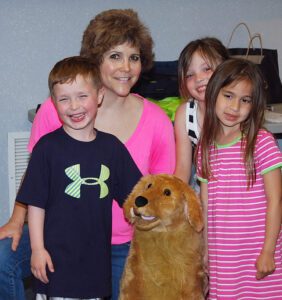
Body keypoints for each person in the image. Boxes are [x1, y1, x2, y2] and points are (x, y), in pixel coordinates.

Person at [0, 9, 175, 300]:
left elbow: (158, 193)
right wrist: (17, 221)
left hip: (124, 244)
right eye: (115, 56)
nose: (126, 67)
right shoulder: (57, 111)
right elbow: (35, 179)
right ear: (95, 61)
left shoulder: (156, 121)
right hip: (58, 235)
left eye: (134, 57)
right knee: (4, 258)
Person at [17, 56, 143, 300]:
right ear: (54, 103)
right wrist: (37, 249)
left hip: (96, 265)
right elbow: (35, 204)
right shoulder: (48, 148)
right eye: (64, 99)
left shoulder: (112, 148)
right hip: (56, 265)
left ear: (100, 96)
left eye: (82, 96)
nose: (74, 106)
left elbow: (137, 196)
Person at [197, 58, 282, 299]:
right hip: (223, 255)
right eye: (228, 95)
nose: (235, 107)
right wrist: (205, 251)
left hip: (257, 253)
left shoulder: (262, 142)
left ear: (254, 106)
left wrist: (268, 251)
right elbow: (205, 205)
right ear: (213, 94)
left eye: (245, 100)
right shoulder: (205, 147)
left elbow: (276, 200)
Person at [174, 37, 229, 192]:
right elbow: (183, 168)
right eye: (190, 75)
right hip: (203, 191)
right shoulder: (185, 113)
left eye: (206, 69)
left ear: (226, 69)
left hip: (239, 192)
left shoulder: (235, 111)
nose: (198, 79)